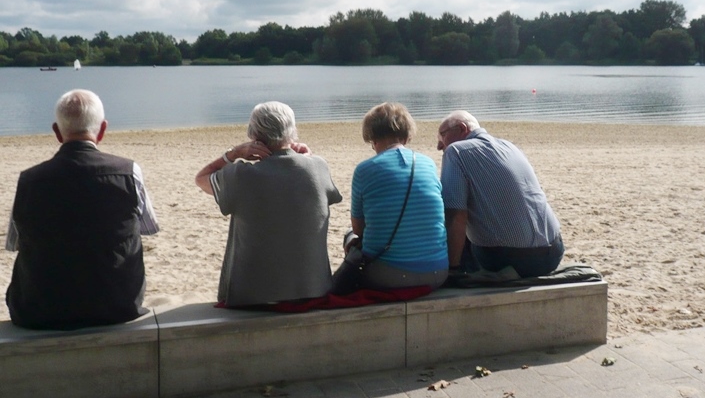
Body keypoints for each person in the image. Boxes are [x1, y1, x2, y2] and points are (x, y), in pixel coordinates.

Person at [5, 89, 159, 330]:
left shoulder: (29, 180)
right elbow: (148, 228)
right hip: (117, 306)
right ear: (102, 130)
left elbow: (13, 243)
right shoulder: (129, 172)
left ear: (57, 132)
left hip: (38, 312)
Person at [195, 101, 342, 306]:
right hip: (313, 291)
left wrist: (233, 153)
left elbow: (201, 178)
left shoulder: (241, 175)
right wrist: (308, 160)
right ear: (292, 132)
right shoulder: (319, 167)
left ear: (254, 135)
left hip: (253, 297)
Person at [332, 102, 448, 293]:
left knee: (349, 235)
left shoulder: (365, 170)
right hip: (437, 273)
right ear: (406, 135)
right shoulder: (427, 163)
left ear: (373, 137)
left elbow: (359, 228)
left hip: (389, 277)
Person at [437, 110, 564, 278]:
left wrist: (451, 269)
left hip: (512, 259)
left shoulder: (456, 151)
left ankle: (461, 277)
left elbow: (455, 215)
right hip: (554, 252)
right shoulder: (509, 146)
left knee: (453, 221)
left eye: (442, 136)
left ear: (462, 128)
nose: (439, 146)